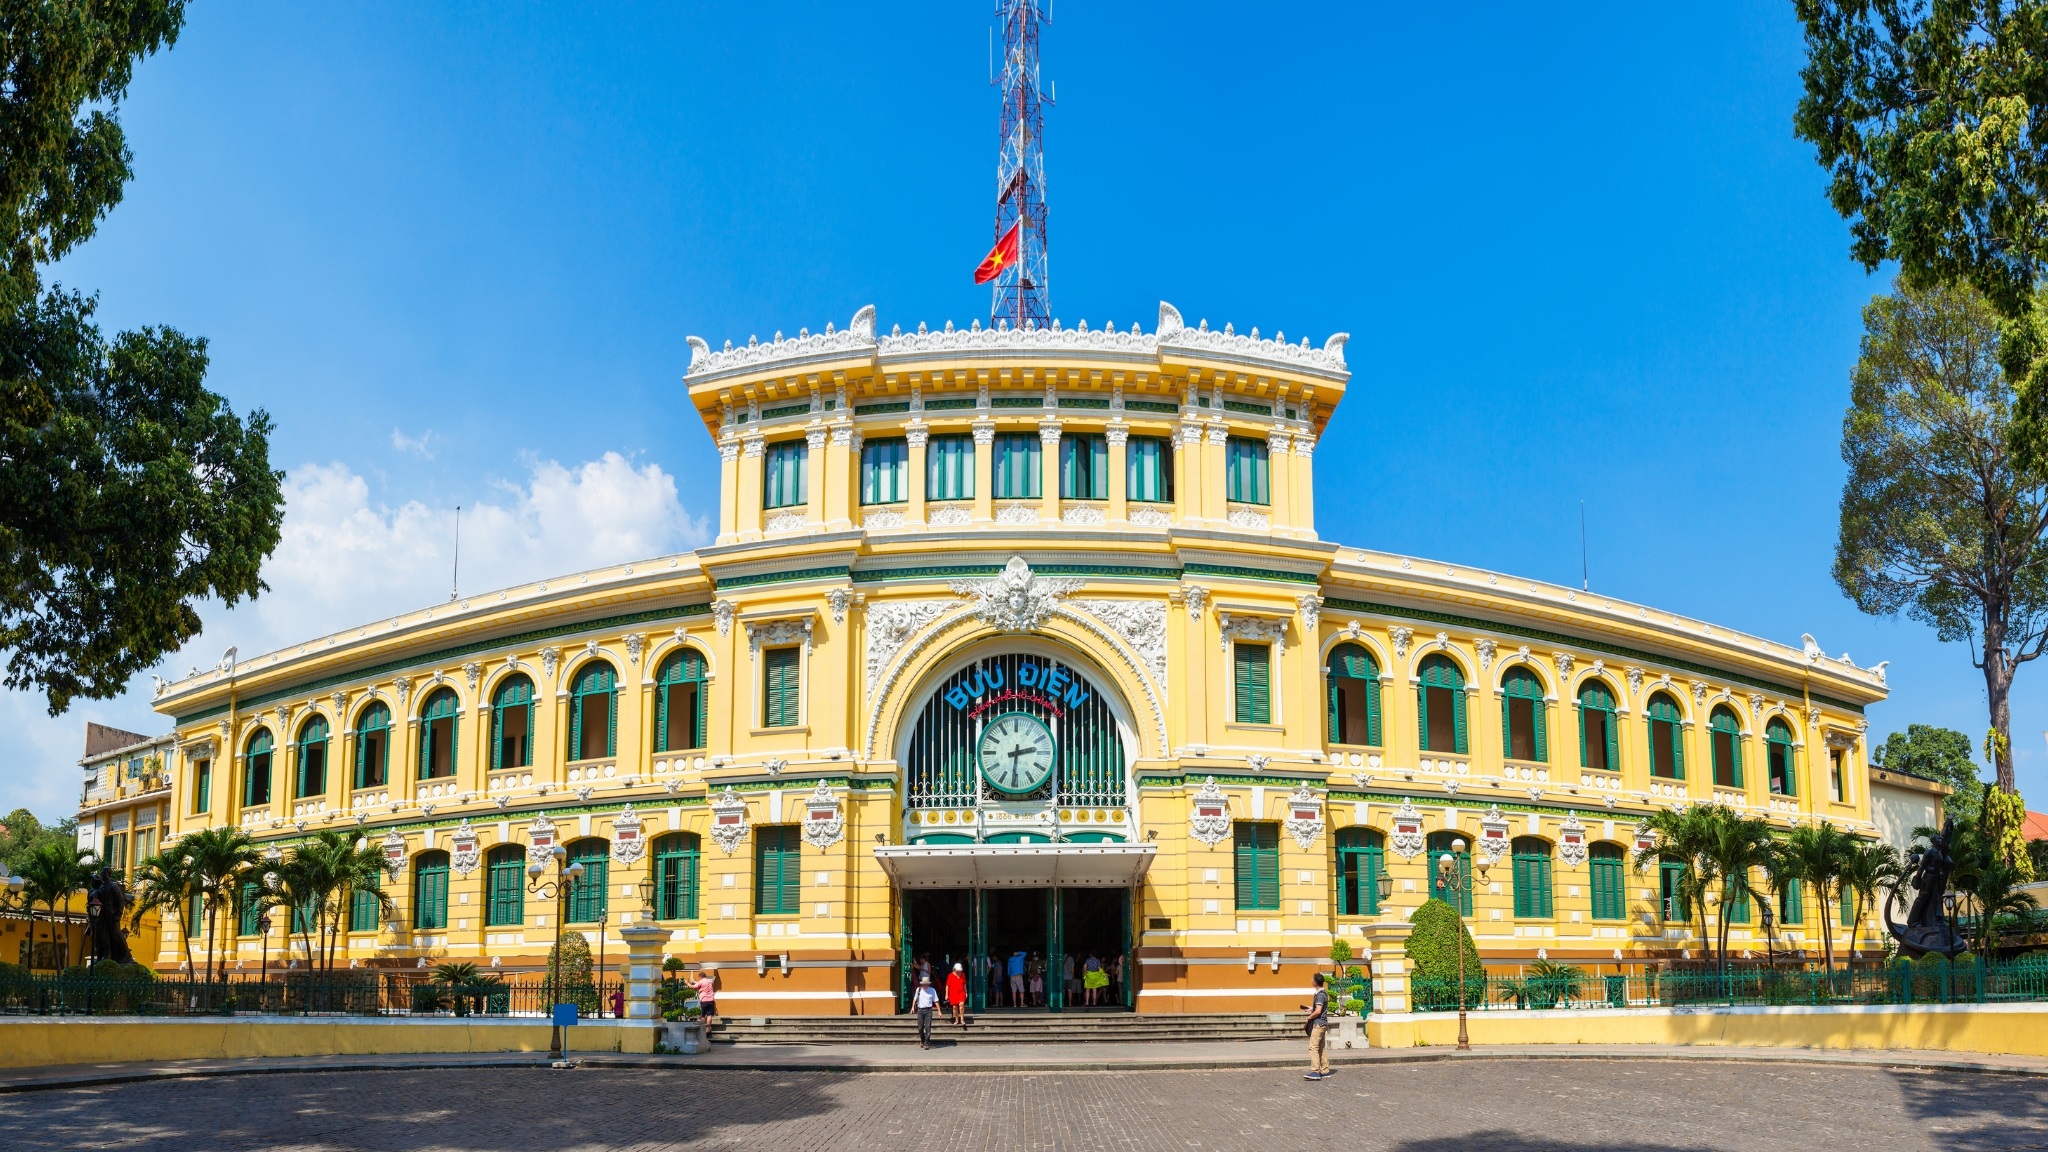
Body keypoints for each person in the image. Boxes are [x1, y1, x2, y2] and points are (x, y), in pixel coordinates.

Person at [1303, 973, 1332, 1081]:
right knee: (1321, 1048)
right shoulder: (1322, 993)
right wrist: (1312, 1008)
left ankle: (1315, 1071)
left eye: (1312, 979)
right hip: (1323, 1023)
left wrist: (1309, 1017)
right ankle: (1325, 1070)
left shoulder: (1320, 995)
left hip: (1318, 1024)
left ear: (1315, 982)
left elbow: (1319, 1011)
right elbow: (1319, 1008)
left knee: (1313, 1047)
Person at [913, 975, 940, 1048]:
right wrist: (912, 1007)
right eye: (924, 984)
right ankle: (922, 1039)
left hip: (928, 1010)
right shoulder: (918, 990)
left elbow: (936, 1001)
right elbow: (915, 999)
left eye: (926, 984)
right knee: (920, 1028)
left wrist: (939, 1011)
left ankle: (926, 1043)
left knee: (928, 1027)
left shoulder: (932, 990)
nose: (925, 985)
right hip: (920, 1010)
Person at [946, 962, 968, 1026]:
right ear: (954, 969)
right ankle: (956, 1019)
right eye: (958, 970)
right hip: (953, 993)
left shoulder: (963, 975)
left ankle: (962, 1019)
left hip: (961, 992)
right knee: (955, 1007)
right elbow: (947, 986)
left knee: (961, 1005)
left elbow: (964, 984)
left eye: (960, 971)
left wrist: (966, 992)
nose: (959, 972)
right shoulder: (950, 975)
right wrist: (946, 994)